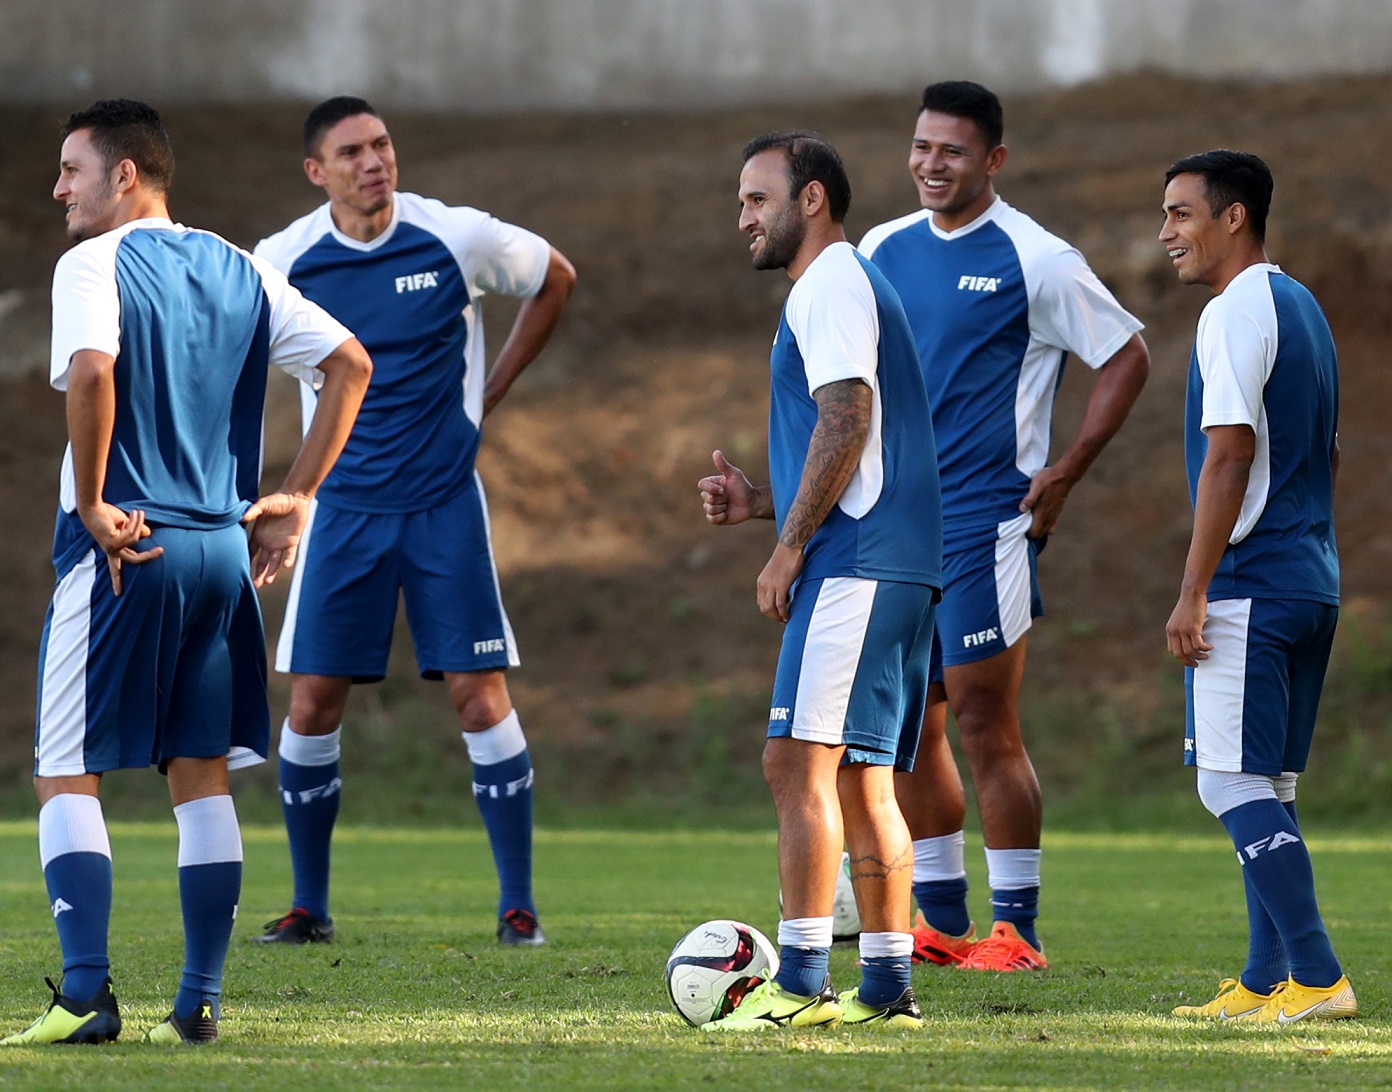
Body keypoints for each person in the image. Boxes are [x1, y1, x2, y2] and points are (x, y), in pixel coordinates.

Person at [2, 99, 371, 1047]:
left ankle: (85, 995)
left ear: (125, 176)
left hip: (128, 544)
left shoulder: (92, 263)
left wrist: (90, 502)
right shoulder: (244, 267)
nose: (58, 189)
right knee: (200, 775)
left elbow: (92, 372)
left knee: (62, 769)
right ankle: (198, 1003)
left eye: (71, 170)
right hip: (219, 552)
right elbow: (350, 365)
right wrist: (296, 497)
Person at [251, 97, 576, 947]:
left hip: (443, 506)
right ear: (317, 172)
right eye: (352, 152)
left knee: (479, 698)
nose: (374, 162)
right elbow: (238, 354)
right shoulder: (282, 260)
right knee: (314, 703)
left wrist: (492, 388)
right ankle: (309, 907)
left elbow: (555, 278)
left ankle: (519, 907)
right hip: (339, 512)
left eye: (383, 144)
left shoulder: (452, 237)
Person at [859, 80, 1149, 971]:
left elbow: (1127, 355)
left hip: (989, 524)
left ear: (993, 160)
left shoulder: (1037, 257)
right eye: (920, 147)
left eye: (951, 151)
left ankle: (1017, 928)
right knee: (909, 724)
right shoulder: (880, 249)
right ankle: (941, 920)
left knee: (986, 721)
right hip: (896, 526)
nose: (930, 165)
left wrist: (1064, 472)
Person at [698, 131, 941, 1030]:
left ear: (811, 201)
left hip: (857, 564)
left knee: (795, 761)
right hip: (900, 564)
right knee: (862, 779)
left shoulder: (833, 279)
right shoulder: (850, 281)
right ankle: (886, 990)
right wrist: (764, 501)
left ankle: (802, 984)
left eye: (758, 198)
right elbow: (855, 441)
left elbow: (848, 413)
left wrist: (790, 546)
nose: (744, 217)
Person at [1161, 150, 1355, 1023]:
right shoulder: (1303, 306)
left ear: (1233, 217)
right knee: (1268, 785)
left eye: (1180, 213)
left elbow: (1231, 454)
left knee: (1227, 784)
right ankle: (1265, 978)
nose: (1167, 232)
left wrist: (1194, 587)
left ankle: (1318, 976)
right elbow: (1331, 455)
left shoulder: (1232, 311)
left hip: (1251, 581)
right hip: (1311, 578)